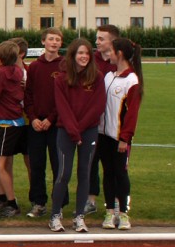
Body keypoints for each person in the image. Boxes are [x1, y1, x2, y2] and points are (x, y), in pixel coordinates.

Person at [48, 38, 106, 233]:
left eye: (87, 53)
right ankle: (55, 215)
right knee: (64, 173)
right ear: (72, 55)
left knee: (85, 173)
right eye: (80, 53)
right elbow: (62, 108)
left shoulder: (97, 77)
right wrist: (74, 132)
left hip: (88, 131)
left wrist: (81, 130)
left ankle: (79, 216)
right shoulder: (61, 79)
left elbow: (97, 106)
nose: (84, 57)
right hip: (66, 131)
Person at [99, 37, 143, 230]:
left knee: (121, 174)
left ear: (120, 54)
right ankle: (109, 211)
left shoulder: (132, 80)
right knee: (107, 173)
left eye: (110, 51)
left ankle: (123, 213)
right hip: (103, 135)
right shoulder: (109, 75)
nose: (107, 55)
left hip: (120, 138)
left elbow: (132, 113)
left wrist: (125, 138)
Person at [0, 40, 27, 219]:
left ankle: (12, 202)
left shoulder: (1, 74)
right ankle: (2, 198)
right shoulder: (17, 71)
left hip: (7, 124)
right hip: (12, 121)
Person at [24, 28, 65, 218]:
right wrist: (33, 118)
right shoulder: (34, 67)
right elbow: (28, 95)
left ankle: (60, 204)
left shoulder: (64, 66)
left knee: (58, 165)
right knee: (37, 165)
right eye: (51, 39)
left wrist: (51, 118)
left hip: (56, 125)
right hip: (36, 125)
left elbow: (65, 98)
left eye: (58, 40)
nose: (54, 43)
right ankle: (38, 202)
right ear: (43, 42)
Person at [87, 24, 120, 213]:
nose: (97, 42)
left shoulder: (120, 61)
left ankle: (115, 201)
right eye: (97, 38)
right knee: (90, 161)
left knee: (113, 165)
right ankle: (90, 199)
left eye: (101, 39)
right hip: (93, 120)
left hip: (114, 123)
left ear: (112, 41)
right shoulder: (91, 59)